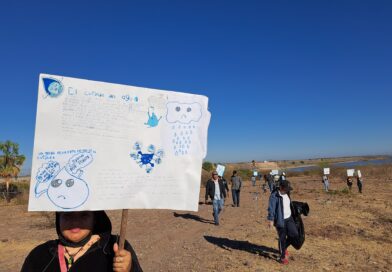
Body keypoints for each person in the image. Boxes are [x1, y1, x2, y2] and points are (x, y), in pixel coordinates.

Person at [21, 210, 142, 272]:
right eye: (67, 215)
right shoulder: (39, 255)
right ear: (59, 219)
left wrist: (130, 269)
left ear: (94, 218)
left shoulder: (116, 247)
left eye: (84, 215)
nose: (75, 222)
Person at [267, 180, 298, 265]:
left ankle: (283, 248)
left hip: (289, 218)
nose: (287, 190)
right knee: (282, 238)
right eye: (286, 189)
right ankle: (283, 257)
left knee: (294, 234)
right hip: (280, 220)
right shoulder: (274, 196)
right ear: (281, 187)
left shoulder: (287, 193)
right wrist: (271, 220)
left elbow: (289, 204)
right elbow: (271, 209)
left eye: (288, 189)